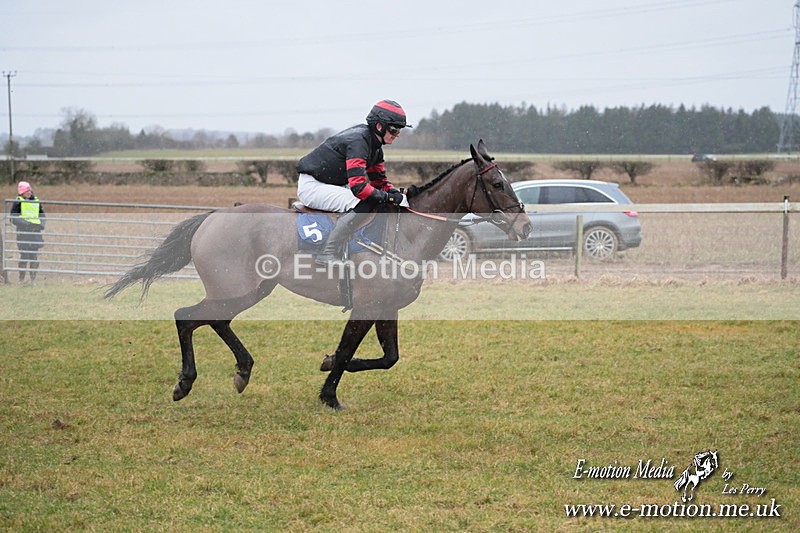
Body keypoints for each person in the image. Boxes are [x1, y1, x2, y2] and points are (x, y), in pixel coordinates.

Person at [296, 99, 411, 265]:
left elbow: (379, 182)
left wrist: (393, 192)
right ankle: (327, 252)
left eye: (399, 130)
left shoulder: (376, 147)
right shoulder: (358, 142)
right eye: (394, 130)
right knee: (361, 202)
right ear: (380, 126)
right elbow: (359, 188)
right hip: (313, 187)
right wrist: (389, 198)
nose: (397, 134)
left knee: (373, 198)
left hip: (331, 185)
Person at [10, 181, 46, 284]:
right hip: (23, 233)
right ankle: (21, 280)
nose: (29, 192)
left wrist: (41, 225)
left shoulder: (36, 201)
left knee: (34, 257)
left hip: (35, 233)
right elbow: (13, 218)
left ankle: (32, 280)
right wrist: (27, 224)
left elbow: (42, 215)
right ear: (22, 192)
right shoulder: (18, 202)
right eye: (27, 190)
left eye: (29, 190)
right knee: (24, 256)